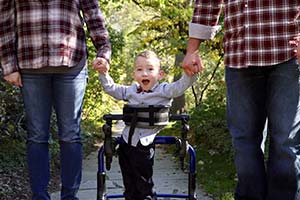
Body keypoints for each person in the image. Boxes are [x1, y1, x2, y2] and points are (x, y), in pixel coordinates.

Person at [182, 1, 300, 200]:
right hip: (239, 54)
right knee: (244, 140)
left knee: (286, 141)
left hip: (288, 51)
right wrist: (192, 48)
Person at [0, 1, 111, 200]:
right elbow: (4, 21)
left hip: (71, 64)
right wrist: (9, 65)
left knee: (70, 134)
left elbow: (92, 14)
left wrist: (103, 51)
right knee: (36, 135)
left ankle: (70, 196)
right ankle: (40, 196)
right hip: (30, 64)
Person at [92, 50, 198, 200]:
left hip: (144, 143)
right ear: (134, 74)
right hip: (126, 141)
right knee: (129, 182)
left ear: (160, 74)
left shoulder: (164, 90)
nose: (144, 74)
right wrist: (104, 73)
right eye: (139, 70)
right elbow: (111, 88)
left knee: (143, 182)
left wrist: (190, 73)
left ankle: (148, 197)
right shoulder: (131, 91)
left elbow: (180, 86)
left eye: (150, 69)